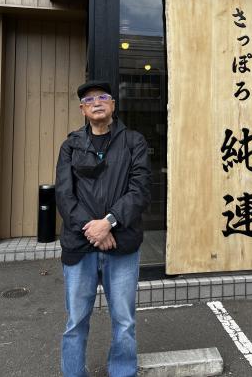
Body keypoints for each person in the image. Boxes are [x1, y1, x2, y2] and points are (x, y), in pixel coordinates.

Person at [55, 79, 152, 377]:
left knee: (124, 320)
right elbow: (64, 193)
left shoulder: (134, 141)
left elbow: (140, 190)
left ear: (113, 105)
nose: (96, 102)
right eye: (89, 100)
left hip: (120, 242)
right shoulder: (71, 144)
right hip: (79, 245)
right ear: (83, 110)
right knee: (76, 321)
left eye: (103, 97)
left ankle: (123, 372)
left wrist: (108, 223)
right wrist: (92, 228)